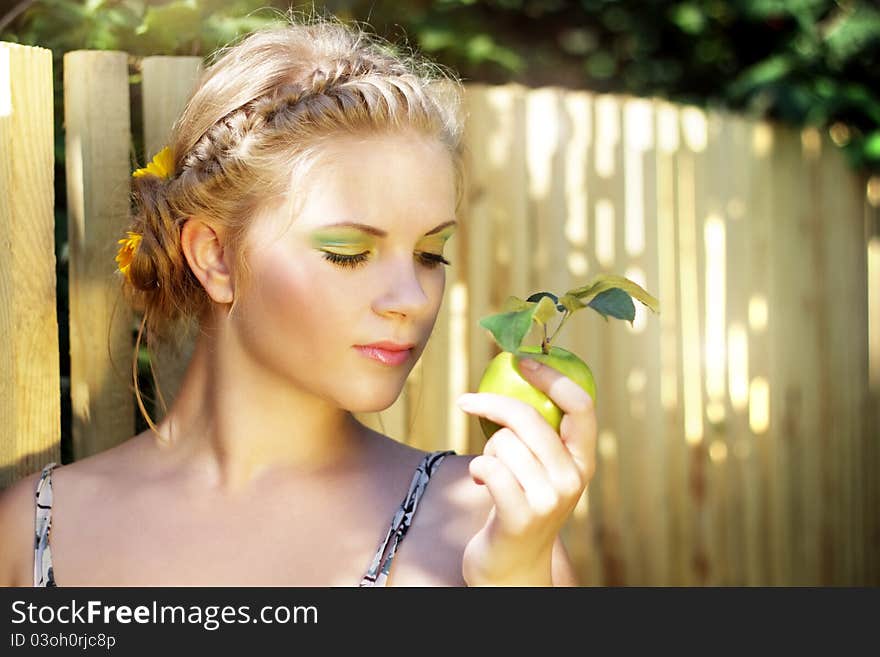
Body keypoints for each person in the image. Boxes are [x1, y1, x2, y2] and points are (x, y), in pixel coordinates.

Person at [0, 15, 596, 587]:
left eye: (429, 255)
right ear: (217, 257)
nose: (411, 299)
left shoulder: (483, 525)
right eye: (347, 252)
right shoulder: (29, 534)